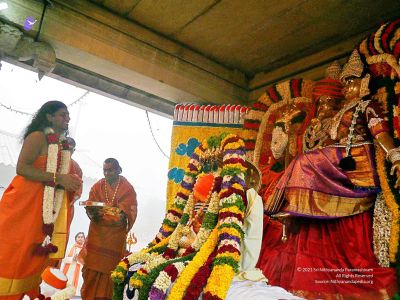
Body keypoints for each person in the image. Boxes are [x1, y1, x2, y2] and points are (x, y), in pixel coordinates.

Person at [258, 50, 398, 298]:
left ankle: (284, 209)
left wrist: (394, 155)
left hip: (356, 161)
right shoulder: (337, 115)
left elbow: (379, 132)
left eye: (351, 83)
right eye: (344, 84)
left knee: (304, 162)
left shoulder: (366, 106)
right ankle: (287, 211)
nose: (347, 88)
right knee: (303, 160)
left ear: (364, 83)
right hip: (336, 159)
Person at [0, 101, 82, 299]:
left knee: (32, 253)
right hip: (22, 204)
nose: (67, 118)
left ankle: (23, 292)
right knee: (13, 250)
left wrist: (69, 183)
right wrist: (58, 178)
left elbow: (65, 177)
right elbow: (22, 168)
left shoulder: (61, 145)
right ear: (49, 117)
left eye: (68, 115)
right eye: (63, 114)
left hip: (42, 209)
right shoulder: (37, 137)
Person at [81, 158, 137, 300]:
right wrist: (94, 211)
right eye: (104, 170)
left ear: (119, 170)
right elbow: (91, 210)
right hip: (96, 237)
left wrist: (104, 215)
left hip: (114, 240)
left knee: (110, 275)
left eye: (110, 170)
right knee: (91, 272)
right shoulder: (97, 186)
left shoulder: (127, 188)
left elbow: (124, 216)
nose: (106, 173)